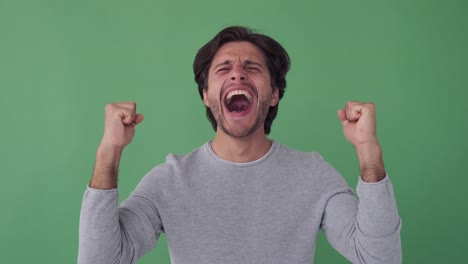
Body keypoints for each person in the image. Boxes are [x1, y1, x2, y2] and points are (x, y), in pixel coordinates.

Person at [78, 26, 402, 264]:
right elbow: (100, 259)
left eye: (252, 68)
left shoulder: (313, 175)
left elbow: (379, 257)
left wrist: (368, 153)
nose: (237, 75)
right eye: (224, 68)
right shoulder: (169, 181)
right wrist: (109, 153)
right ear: (206, 95)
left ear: (274, 94)